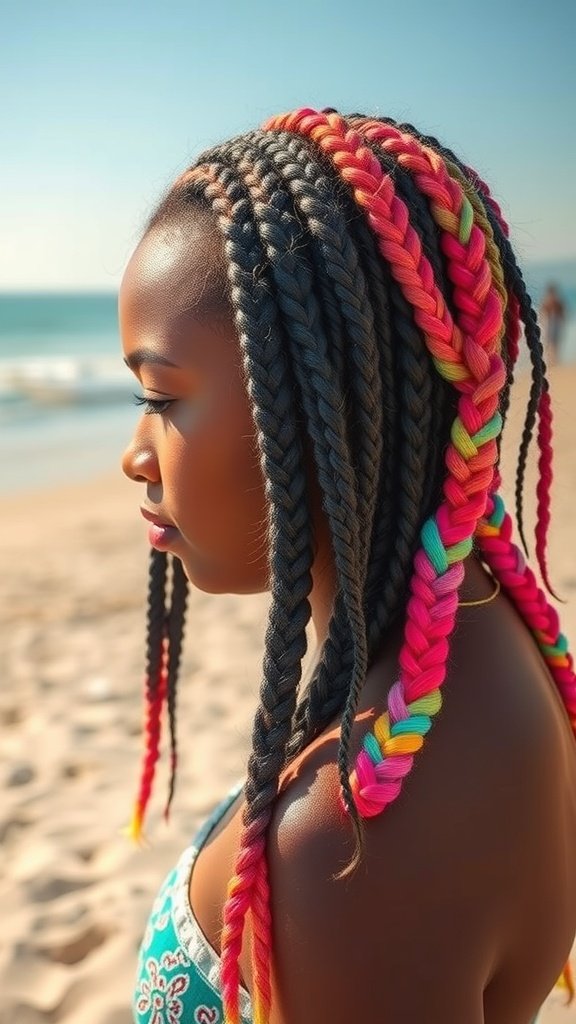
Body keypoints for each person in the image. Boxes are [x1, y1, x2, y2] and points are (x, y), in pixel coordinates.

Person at [119, 108, 576, 1024]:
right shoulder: (491, 627)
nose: (136, 453)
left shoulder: (350, 853)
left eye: (161, 397)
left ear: (320, 413)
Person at [540, 284, 566, 366]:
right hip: (550, 323)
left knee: (554, 342)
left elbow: (562, 313)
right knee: (549, 342)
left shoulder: (554, 301)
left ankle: (553, 360)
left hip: (554, 323)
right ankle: (550, 360)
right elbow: (543, 312)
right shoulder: (549, 301)